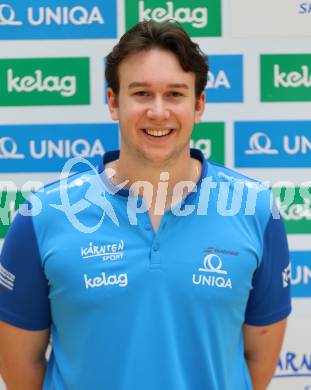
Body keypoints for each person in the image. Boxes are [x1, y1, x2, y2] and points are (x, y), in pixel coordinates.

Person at [0, 20, 291, 390]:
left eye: (174, 94)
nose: (158, 111)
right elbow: (20, 367)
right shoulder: (43, 216)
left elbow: (257, 363)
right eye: (141, 93)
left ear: (198, 105)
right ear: (113, 102)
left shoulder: (257, 210)